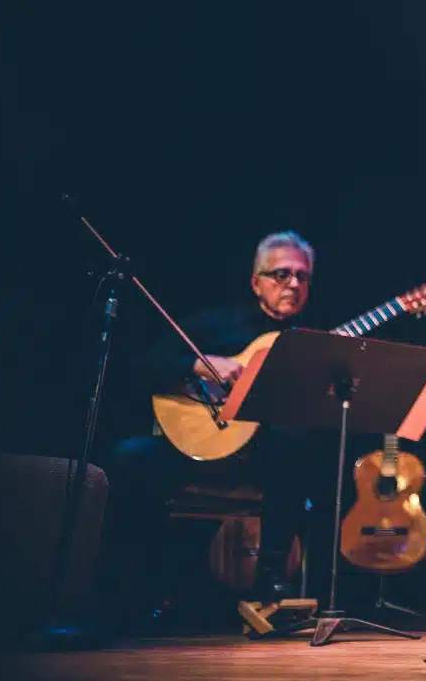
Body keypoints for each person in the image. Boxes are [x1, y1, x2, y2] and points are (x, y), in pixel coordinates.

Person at [100, 231, 329, 630]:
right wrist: (198, 365)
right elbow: (141, 364)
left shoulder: (314, 340)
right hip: (197, 448)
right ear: (255, 281)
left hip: (264, 459)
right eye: (281, 274)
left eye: (302, 277)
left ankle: (271, 579)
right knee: (130, 456)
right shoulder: (217, 325)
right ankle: (128, 590)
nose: (293, 284)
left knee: (298, 439)